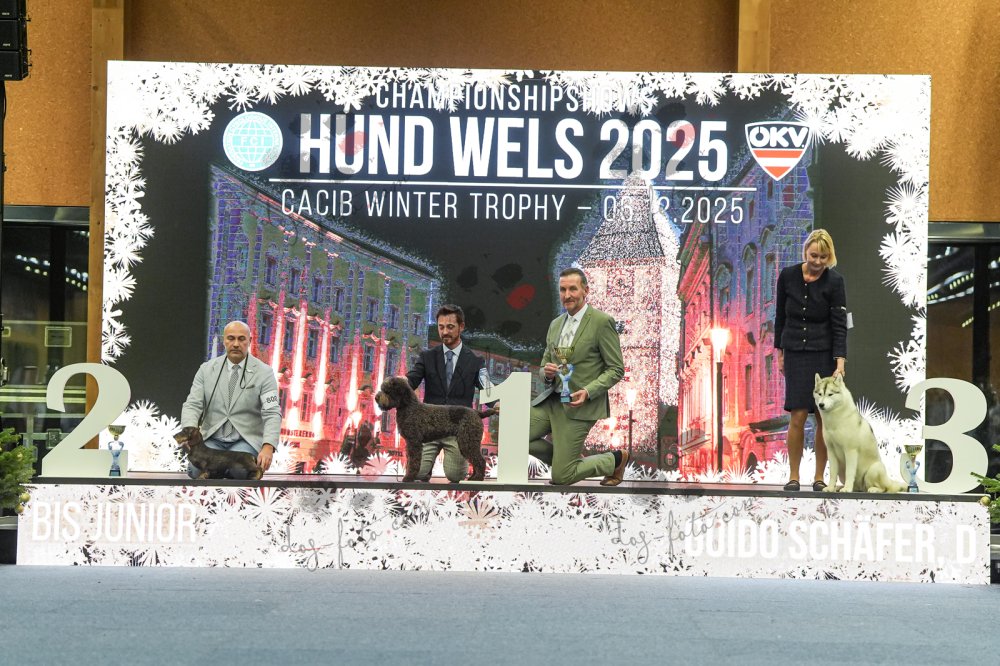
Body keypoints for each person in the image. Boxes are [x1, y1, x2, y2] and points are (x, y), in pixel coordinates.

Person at [528, 268, 627, 486]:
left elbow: (616, 369)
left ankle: (615, 460)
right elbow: (544, 366)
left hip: (579, 406)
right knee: (514, 434)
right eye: (563, 290)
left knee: (562, 477)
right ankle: (567, 461)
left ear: (586, 291)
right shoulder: (555, 325)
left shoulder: (602, 322)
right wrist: (547, 373)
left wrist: (588, 391)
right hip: (551, 401)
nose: (567, 295)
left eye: (573, 289)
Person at [774, 229, 847, 491]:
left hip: (823, 353)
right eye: (814, 255)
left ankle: (819, 477)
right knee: (798, 414)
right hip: (795, 351)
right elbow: (780, 317)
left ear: (830, 257)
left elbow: (839, 324)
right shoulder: (787, 276)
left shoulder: (835, 282)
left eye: (823, 257)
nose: (817, 261)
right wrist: (780, 353)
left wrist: (840, 362)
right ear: (806, 251)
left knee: (822, 417)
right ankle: (793, 476)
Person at [180, 320, 281, 479]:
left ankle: (222, 476)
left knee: (239, 472)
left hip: (245, 440)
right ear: (224, 340)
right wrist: (189, 430)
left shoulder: (265, 373)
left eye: (241, 339)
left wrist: (268, 446)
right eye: (231, 338)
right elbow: (193, 405)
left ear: (250, 341)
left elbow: (272, 413)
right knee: (196, 471)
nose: (236, 344)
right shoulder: (206, 370)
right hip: (212, 440)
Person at [406, 304, 487, 482]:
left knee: (455, 475)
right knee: (417, 473)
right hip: (428, 427)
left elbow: (487, 388)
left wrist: (497, 402)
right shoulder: (426, 357)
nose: (444, 332)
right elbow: (411, 379)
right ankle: (425, 469)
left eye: (450, 327)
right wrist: (401, 384)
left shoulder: (476, 361)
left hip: (458, 428)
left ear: (461, 326)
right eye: (441, 327)